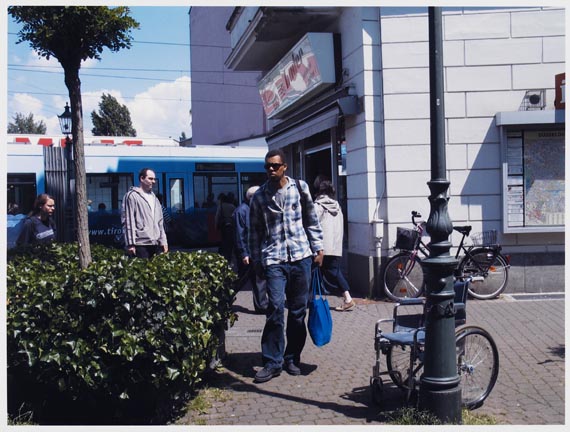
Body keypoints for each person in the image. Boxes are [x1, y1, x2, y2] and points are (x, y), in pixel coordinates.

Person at [249, 149, 324, 383]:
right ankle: (272, 361)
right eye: (267, 166)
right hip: (273, 258)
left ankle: (292, 357)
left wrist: (318, 248)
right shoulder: (259, 197)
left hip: (301, 256)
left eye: (275, 166)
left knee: (298, 311)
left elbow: (311, 219)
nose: (271, 170)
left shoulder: (300, 189)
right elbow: (254, 232)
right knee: (274, 307)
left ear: (284, 167)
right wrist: (255, 260)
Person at [313, 177, 355, 311]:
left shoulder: (318, 206)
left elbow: (313, 226)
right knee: (330, 272)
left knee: (331, 272)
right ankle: (314, 298)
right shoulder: (337, 206)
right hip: (335, 246)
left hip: (322, 247)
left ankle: (348, 298)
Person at [233, 185, 268, 314]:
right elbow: (239, 234)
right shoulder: (241, 211)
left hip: (256, 251)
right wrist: (244, 254)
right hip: (247, 252)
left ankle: (261, 305)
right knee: (242, 278)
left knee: (258, 278)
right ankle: (224, 297)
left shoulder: (254, 209)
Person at [121, 168, 168, 258]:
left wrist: (164, 241)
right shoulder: (131, 196)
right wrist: (130, 244)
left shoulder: (155, 199)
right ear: (142, 178)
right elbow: (128, 221)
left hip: (156, 243)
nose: (153, 181)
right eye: (150, 179)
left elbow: (160, 223)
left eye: (154, 179)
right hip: (140, 244)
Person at [215, 192, 236, 262]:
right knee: (230, 243)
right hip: (232, 227)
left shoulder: (221, 206)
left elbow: (217, 217)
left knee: (223, 242)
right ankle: (229, 257)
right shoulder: (232, 206)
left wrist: (216, 226)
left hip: (224, 226)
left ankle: (222, 257)